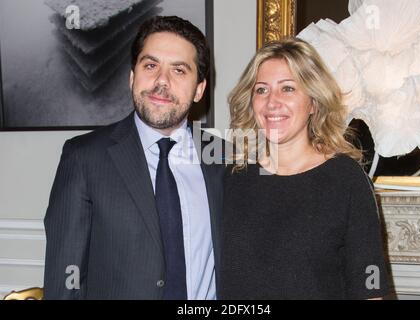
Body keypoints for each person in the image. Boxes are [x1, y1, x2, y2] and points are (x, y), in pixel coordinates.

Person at [44, 16, 224, 300]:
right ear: (132, 77)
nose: (161, 81)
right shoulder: (83, 158)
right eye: (150, 66)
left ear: (199, 89)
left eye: (179, 70)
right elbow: (66, 278)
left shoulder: (224, 160)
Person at [221, 38, 390, 299]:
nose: (272, 102)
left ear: (314, 102)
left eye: (288, 88)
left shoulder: (347, 181)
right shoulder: (231, 177)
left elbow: (369, 287)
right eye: (262, 90)